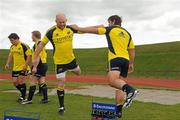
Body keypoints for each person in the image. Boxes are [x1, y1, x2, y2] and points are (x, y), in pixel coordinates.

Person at [70, 15, 138, 118]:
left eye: (108, 22)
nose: (108, 24)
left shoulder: (110, 29)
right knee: (120, 85)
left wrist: (79, 28)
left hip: (115, 59)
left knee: (112, 81)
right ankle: (118, 111)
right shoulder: (127, 33)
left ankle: (130, 90)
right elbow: (132, 50)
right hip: (126, 60)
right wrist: (131, 63)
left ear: (113, 21)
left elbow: (94, 30)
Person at [32, 13, 81, 115]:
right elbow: (41, 44)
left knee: (78, 73)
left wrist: (98, 28)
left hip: (71, 60)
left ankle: (72, 69)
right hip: (59, 62)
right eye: (60, 22)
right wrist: (35, 56)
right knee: (61, 82)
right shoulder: (51, 32)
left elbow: (84, 30)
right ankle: (62, 107)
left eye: (64, 22)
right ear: (56, 21)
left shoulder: (71, 28)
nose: (62, 24)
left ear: (66, 20)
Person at [21, 31, 49, 104]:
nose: (31, 37)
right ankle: (45, 99)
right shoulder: (41, 43)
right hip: (44, 64)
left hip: (39, 64)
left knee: (32, 81)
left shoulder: (38, 43)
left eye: (32, 36)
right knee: (42, 81)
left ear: (34, 36)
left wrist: (35, 67)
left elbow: (38, 56)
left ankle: (29, 100)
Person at [4, 33, 31, 103]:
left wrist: (25, 65)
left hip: (23, 68)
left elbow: (29, 56)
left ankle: (23, 96)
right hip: (15, 68)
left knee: (21, 82)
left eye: (12, 40)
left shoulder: (24, 46)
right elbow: (10, 56)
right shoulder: (12, 47)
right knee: (15, 83)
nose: (11, 42)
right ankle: (24, 92)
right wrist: (7, 63)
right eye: (10, 40)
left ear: (17, 39)